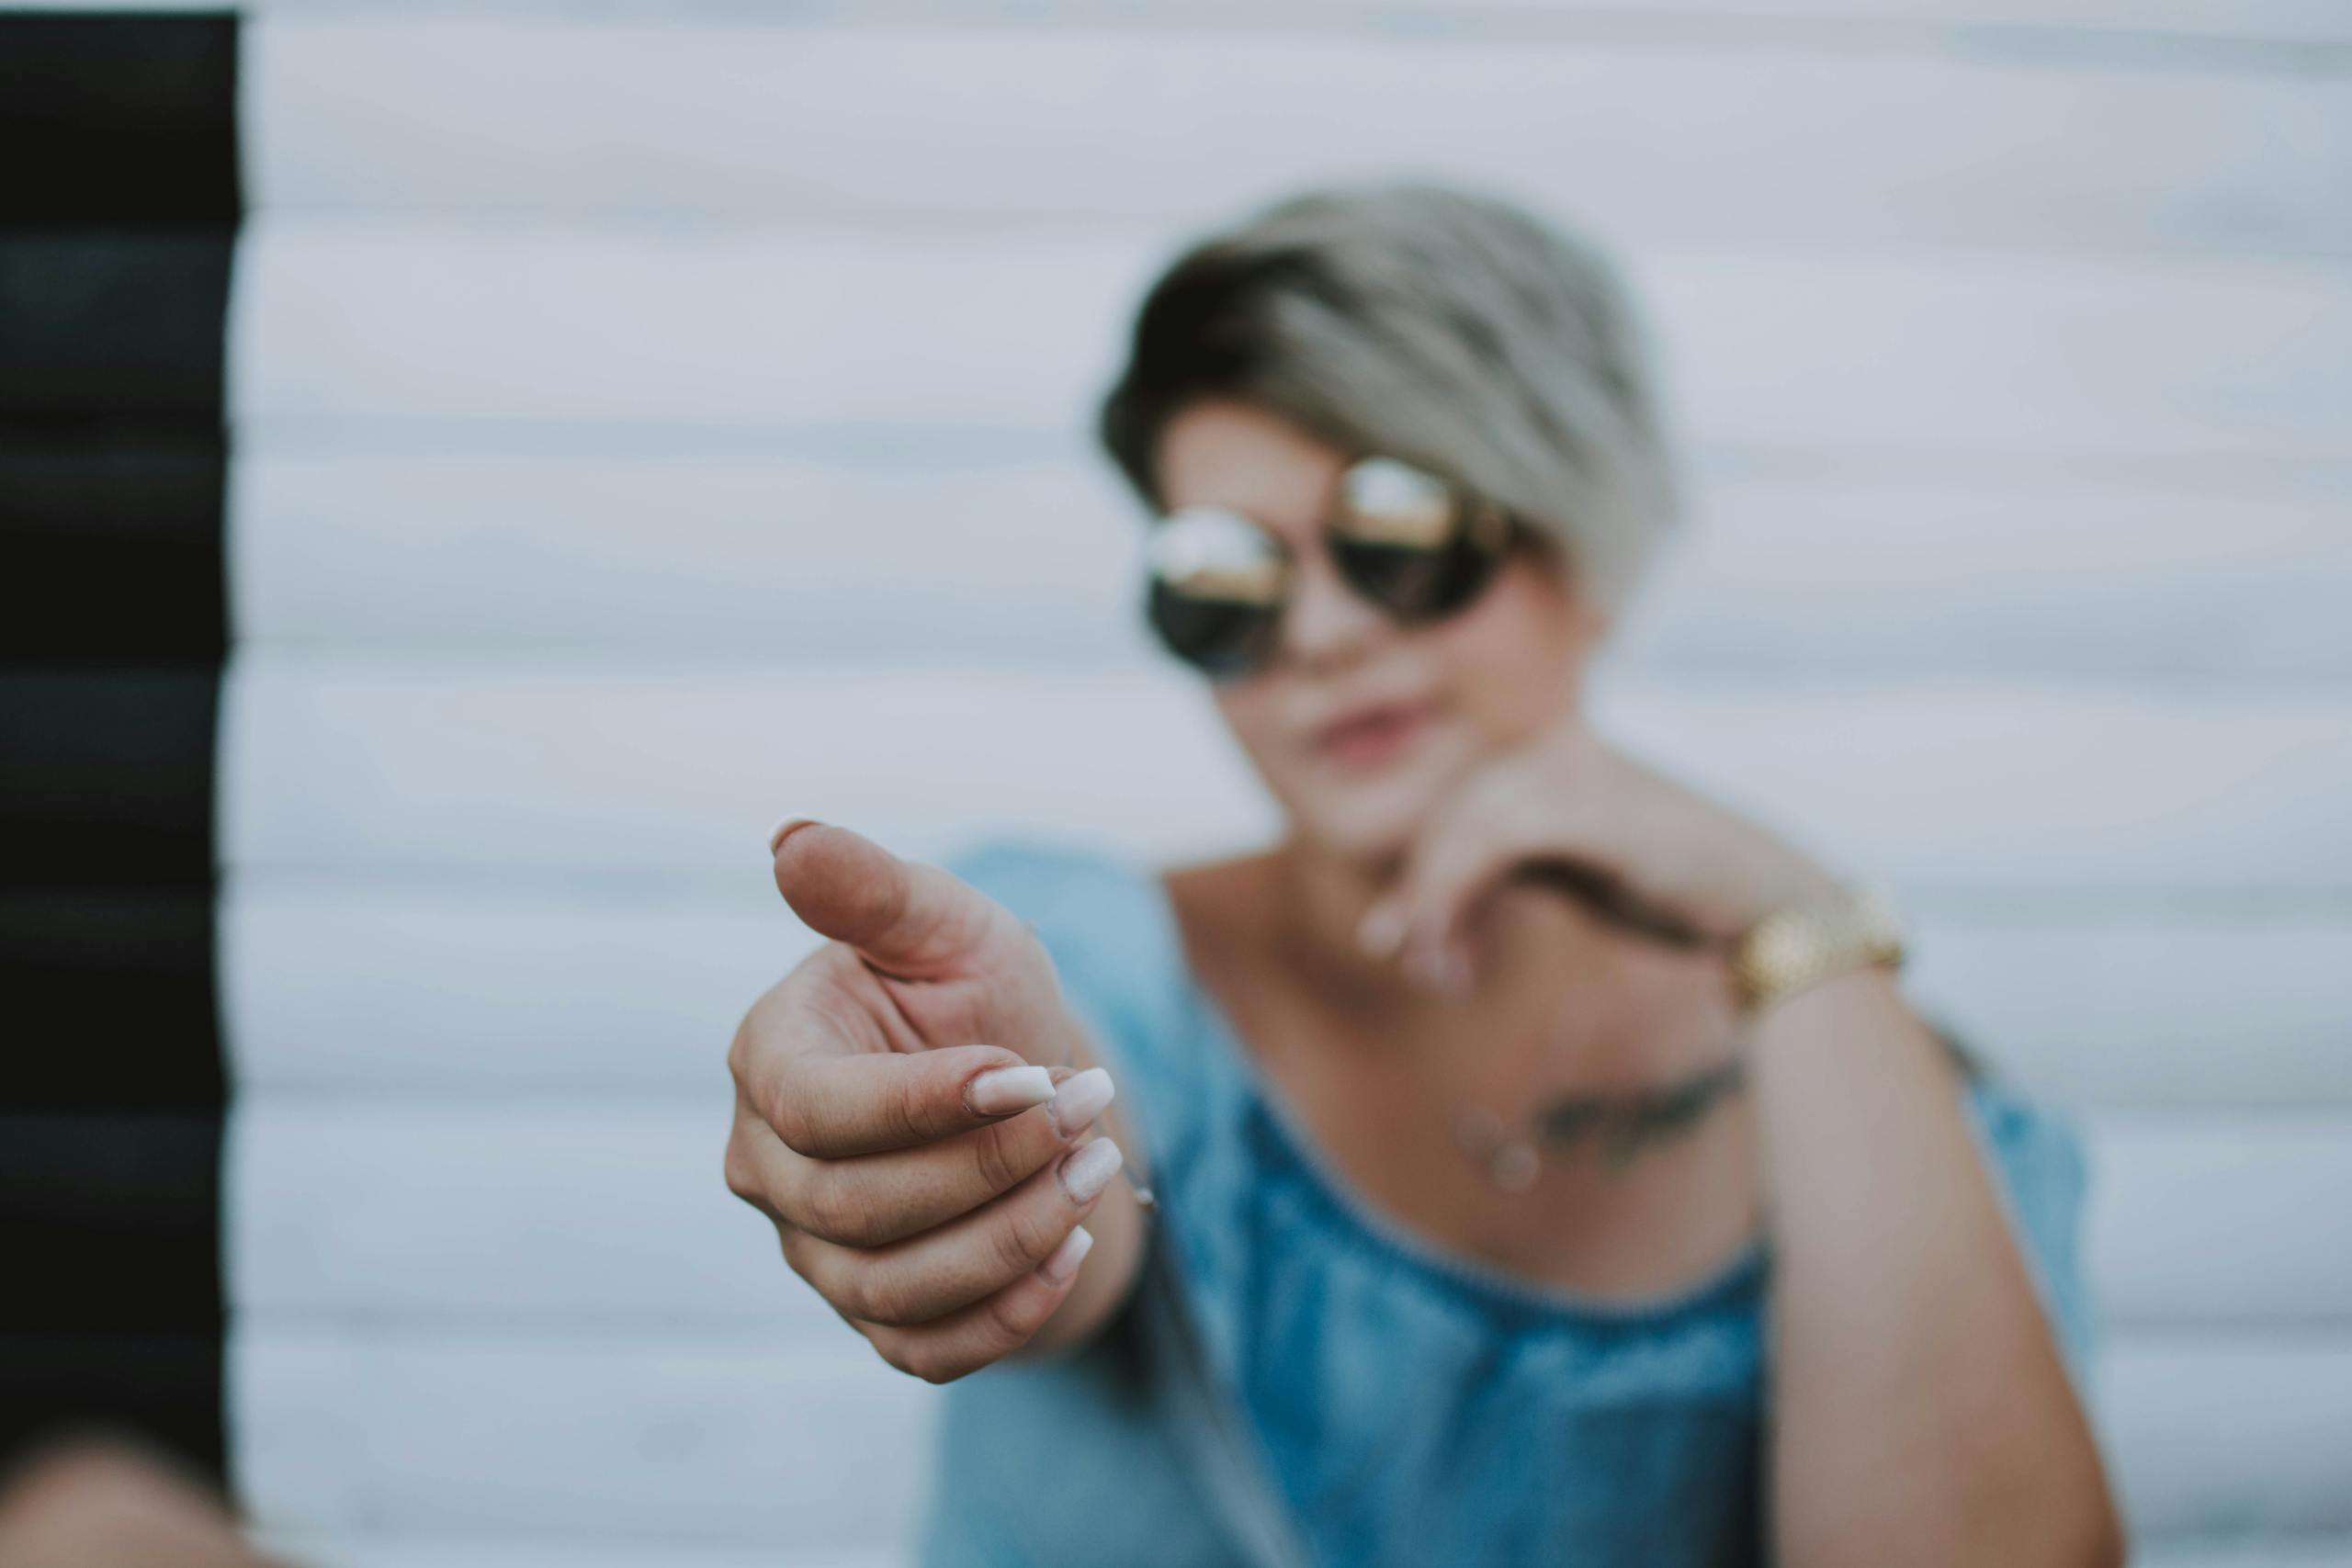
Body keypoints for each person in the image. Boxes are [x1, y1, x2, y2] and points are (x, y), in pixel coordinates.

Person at [723, 183, 2123, 1566]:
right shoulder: (1110, 957)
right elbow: (1061, 1083)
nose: (1320, 633)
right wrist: (971, 1132)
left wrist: (1798, 928)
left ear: (1588, 542)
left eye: (1397, 536)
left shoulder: (1882, 1082)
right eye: (1226, 576)